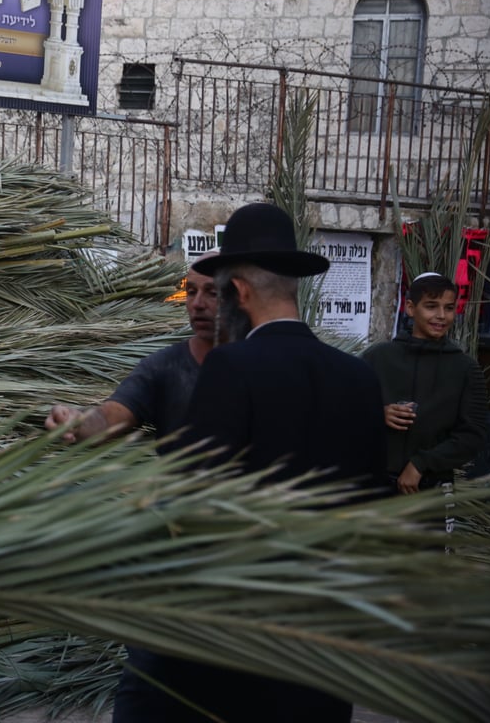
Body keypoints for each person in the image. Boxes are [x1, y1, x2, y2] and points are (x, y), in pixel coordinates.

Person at [114, 203, 388, 723]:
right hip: (326, 627)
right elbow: (371, 505)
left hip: (240, 627)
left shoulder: (231, 367)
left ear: (238, 293)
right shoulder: (359, 376)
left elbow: (199, 497)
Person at [44, 253, 219, 443]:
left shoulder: (254, 364)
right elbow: (109, 418)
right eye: (191, 292)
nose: (198, 304)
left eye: (213, 293)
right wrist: (76, 421)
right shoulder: (163, 367)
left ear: (241, 296)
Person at [362, 272, 488, 499]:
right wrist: (376, 414)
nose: (441, 316)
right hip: (373, 489)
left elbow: (472, 436)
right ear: (410, 308)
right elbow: (340, 411)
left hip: (432, 490)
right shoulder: (377, 357)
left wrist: (421, 464)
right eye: (431, 306)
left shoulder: (465, 368)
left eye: (449, 308)